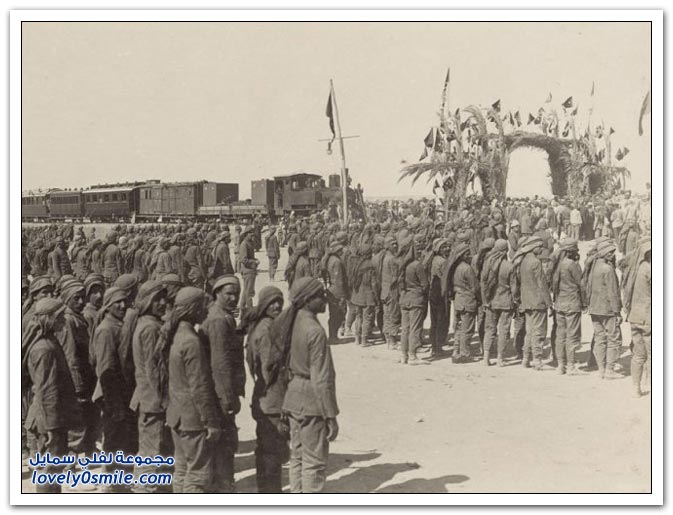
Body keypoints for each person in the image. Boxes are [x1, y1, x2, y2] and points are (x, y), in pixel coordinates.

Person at [280, 277, 339, 493]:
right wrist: (330, 415)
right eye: (320, 295)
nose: (325, 298)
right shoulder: (315, 331)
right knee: (315, 462)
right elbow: (321, 379)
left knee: (297, 458)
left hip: (294, 397)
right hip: (311, 402)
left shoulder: (294, 322)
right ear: (307, 300)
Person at [164, 287, 223, 493]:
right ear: (194, 309)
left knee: (181, 470)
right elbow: (200, 387)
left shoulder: (176, 336)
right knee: (198, 477)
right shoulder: (191, 342)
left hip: (177, 415)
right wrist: (211, 422)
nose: (207, 309)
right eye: (203, 305)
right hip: (193, 420)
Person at [22, 298, 81, 493]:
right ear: (49, 319)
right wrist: (51, 430)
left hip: (48, 417)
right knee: (50, 470)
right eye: (59, 318)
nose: (63, 321)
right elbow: (47, 391)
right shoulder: (44, 349)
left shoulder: (48, 342)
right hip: (48, 421)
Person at [200, 275, 246, 493]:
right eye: (228, 293)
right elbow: (221, 364)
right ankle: (223, 487)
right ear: (217, 293)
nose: (233, 298)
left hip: (219, 391)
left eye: (236, 294)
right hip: (220, 392)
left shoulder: (223, 316)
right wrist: (227, 397)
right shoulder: (219, 320)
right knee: (224, 443)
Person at [90, 287, 138, 491]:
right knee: (114, 441)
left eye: (124, 301)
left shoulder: (121, 325)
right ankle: (110, 486)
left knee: (126, 443)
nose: (122, 305)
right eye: (117, 302)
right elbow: (106, 371)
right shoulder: (106, 330)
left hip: (124, 394)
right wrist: (114, 404)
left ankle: (121, 484)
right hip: (113, 396)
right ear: (108, 306)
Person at [244, 286, 288, 493]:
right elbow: (268, 369)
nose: (277, 305)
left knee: (265, 449)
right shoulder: (268, 330)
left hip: (262, 396)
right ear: (264, 305)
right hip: (273, 399)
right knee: (273, 453)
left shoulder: (259, 327)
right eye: (272, 302)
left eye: (279, 301)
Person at [129, 280, 173, 492]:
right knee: (151, 453)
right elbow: (154, 369)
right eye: (158, 299)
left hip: (148, 398)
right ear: (147, 301)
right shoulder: (150, 328)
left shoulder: (147, 323)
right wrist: (164, 399)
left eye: (164, 298)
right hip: (152, 401)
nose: (163, 303)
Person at [57, 280, 98, 455]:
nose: (81, 302)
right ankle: (72, 455)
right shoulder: (68, 321)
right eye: (77, 298)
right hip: (76, 376)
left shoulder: (77, 318)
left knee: (88, 412)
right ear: (66, 299)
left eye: (83, 298)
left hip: (85, 373)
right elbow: (70, 354)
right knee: (76, 415)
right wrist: (77, 382)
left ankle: (87, 448)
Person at [514, 236, 551, 370]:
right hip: (537, 301)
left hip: (526, 300)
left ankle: (525, 359)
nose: (542, 249)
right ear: (534, 247)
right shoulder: (535, 262)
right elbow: (542, 284)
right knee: (539, 332)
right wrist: (549, 303)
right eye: (540, 247)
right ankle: (537, 359)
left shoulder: (523, 261)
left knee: (529, 332)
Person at [587, 239, 623, 379]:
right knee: (614, 339)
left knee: (599, 338)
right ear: (603, 253)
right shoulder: (608, 269)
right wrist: (617, 311)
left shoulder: (593, 266)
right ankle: (609, 369)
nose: (612, 254)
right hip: (607, 310)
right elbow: (613, 293)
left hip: (595, 308)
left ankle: (601, 369)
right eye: (609, 252)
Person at [551, 239, 586, 375]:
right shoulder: (573, 265)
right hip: (572, 303)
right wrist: (584, 302)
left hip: (560, 303)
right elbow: (581, 285)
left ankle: (561, 365)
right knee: (572, 335)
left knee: (561, 335)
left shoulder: (558, 265)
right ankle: (571, 366)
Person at [622, 237, 651, 397]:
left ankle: (636, 388)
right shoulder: (649, 270)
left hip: (635, 316)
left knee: (638, 355)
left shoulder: (633, 269)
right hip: (649, 317)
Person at [480, 239, 514, 366]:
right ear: (506, 250)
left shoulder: (487, 264)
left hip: (491, 302)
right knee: (503, 330)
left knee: (489, 329)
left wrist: (485, 300)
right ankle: (500, 358)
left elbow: (483, 283)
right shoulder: (509, 266)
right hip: (505, 301)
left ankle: (486, 358)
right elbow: (514, 287)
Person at [445, 242, 478, 363]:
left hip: (458, 300)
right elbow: (474, 287)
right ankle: (464, 353)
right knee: (467, 329)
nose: (469, 255)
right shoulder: (467, 268)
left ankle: (456, 351)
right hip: (467, 301)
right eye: (467, 253)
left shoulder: (455, 267)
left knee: (458, 328)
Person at [398, 235, 429, 365]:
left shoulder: (401, 264)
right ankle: (412, 356)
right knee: (415, 328)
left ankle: (403, 355)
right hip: (416, 299)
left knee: (405, 328)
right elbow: (425, 284)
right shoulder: (417, 265)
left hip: (404, 298)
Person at [323, 240, 349, 343]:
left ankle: (333, 336)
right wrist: (343, 295)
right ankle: (333, 337)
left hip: (332, 289)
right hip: (337, 291)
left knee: (333, 314)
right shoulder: (336, 262)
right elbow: (339, 280)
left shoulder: (330, 259)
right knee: (337, 314)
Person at [380, 236, 401, 350]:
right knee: (393, 315)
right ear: (387, 245)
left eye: (396, 243)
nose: (395, 245)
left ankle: (388, 339)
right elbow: (394, 277)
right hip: (392, 291)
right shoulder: (392, 259)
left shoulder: (385, 257)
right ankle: (392, 341)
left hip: (385, 290)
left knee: (387, 315)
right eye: (393, 244)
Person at [239, 226, 260, 317]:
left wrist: (255, 259)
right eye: (250, 233)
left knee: (246, 291)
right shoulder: (244, 244)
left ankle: (242, 310)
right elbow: (243, 259)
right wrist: (254, 262)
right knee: (249, 292)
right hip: (248, 271)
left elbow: (249, 257)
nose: (252, 235)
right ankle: (250, 312)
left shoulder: (249, 243)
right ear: (246, 234)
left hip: (250, 270)